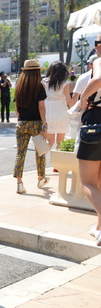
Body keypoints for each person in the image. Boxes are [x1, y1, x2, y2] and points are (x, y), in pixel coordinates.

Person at [73, 35, 101, 243]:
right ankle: (99, 227)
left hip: (96, 121)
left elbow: (98, 79)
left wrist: (83, 98)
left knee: (88, 182)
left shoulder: (99, 61)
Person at [13, 59, 49, 194]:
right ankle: (41, 178)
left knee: (20, 153)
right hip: (36, 123)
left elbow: (16, 108)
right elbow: (41, 107)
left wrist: (20, 120)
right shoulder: (39, 87)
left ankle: (19, 183)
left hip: (21, 123)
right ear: (37, 72)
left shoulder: (19, 86)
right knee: (40, 151)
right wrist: (44, 124)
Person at [41, 61, 76, 151]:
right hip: (61, 112)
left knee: (49, 141)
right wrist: (76, 111)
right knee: (60, 142)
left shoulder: (44, 82)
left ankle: (41, 160)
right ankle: (58, 163)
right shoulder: (64, 83)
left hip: (48, 112)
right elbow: (69, 100)